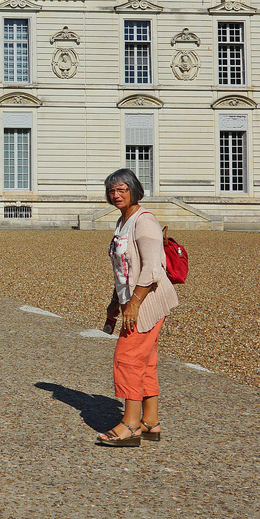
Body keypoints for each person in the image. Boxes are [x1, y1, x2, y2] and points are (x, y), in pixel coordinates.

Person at [96, 168, 179, 448]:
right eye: (111, 190)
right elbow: (124, 271)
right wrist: (114, 304)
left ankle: (130, 425)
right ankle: (150, 422)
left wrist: (134, 303)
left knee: (127, 357)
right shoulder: (123, 222)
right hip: (133, 301)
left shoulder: (144, 223)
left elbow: (153, 270)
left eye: (122, 189)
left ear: (134, 190)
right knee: (146, 361)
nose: (116, 195)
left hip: (148, 301)